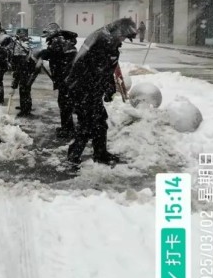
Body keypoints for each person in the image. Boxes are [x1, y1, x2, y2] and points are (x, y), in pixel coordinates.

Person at [64, 18, 137, 168]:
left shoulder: (109, 42)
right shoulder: (101, 43)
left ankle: (100, 153)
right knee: (86, 124)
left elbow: (105, 70)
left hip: (91, 90)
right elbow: (90, 69)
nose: (123, 39)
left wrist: (108, 87)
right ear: (118, 31)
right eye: (123, 36)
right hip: (83, 90)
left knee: (99, 122)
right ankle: (73, 156)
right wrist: (94, 88)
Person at [34, 23, 78, 138]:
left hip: (66, 78)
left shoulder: (59, 40)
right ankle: (67, 127)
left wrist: (43, 54)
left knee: (65, 104)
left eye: (48, 33)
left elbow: (54, 53)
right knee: (65, 103)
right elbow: (56, 55)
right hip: (65, 77)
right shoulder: (61, 40)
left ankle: (68, 129)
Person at [9, 28, 37, 117]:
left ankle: (26, 110)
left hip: (26, 69)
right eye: (19, 34)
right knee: (23, 89)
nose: (21, 36)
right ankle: (24, 106)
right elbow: (14, 55)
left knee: (24, 88)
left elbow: (27, 58)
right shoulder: (17, 43)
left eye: (23, 34)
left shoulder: (27, 44)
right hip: (22, 67)